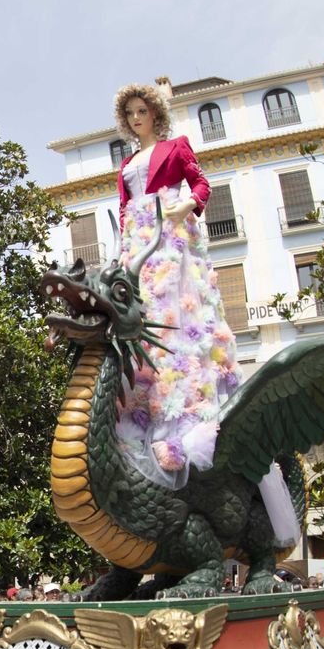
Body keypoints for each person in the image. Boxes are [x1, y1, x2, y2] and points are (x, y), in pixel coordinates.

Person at [109, 82, 242, 490]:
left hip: (169, 238)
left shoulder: (177, 146)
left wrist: (187, 204)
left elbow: (201, 184)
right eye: (129, 113)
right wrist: (120, 256)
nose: (135, 118)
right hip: (137, 242)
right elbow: (123, 209)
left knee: (177, 320)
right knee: (142, 322)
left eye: (141, 111)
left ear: (155, 114)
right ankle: (142, 412)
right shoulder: (127, 163)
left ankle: (185, 416)